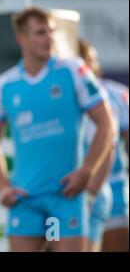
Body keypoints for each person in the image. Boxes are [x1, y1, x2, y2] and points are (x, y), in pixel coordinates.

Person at [0, 7, 114, 252]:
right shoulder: (4, 85)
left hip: (67, 196)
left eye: (51, 31)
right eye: (40, 32)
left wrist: (87, 170)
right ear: (21, 38)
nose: (49, 38)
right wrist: (2, 186)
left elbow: (107, 123)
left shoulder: (74, 70)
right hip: (25, 198)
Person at [79, 39, 130, 252]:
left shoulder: (117, 94)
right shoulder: (60, 94)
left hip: (114, 188)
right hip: (72, 189)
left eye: (90, 60)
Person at [78, 39, 115, 252]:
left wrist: (90, 193)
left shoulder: (101, 100)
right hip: (67, 194)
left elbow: (108, 143)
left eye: (91, 62)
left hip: (94, 190)